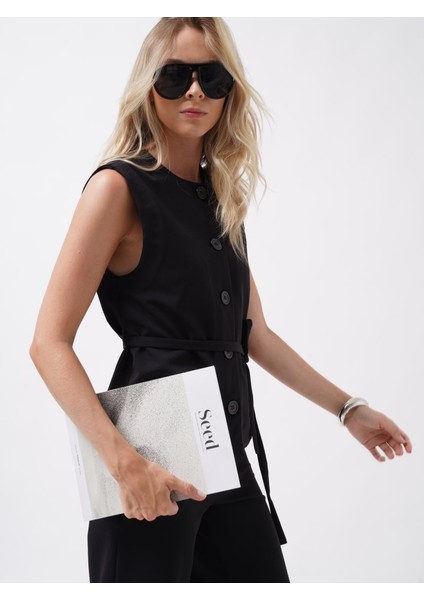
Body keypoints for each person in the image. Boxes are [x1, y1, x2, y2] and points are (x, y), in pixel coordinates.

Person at [29, 17, 412, 583]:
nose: (195, 91)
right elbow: (48, 343)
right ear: (147, 85)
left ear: (230, 90)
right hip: (151, 459)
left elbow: (254, 333)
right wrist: (123, 463)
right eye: (175, 75)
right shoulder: (117, 188)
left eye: (212, 77)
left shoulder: (219, 199)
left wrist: (348, 409)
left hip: (224, 451)